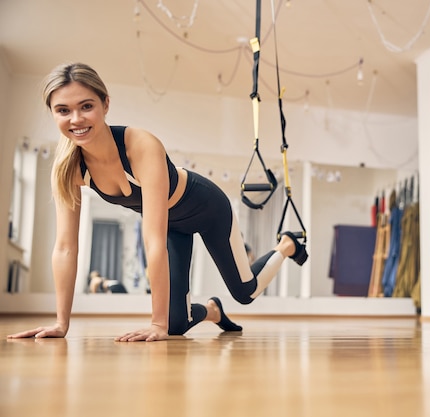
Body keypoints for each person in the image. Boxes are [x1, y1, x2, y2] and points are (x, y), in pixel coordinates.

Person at [7, 62, 308, 342]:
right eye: (63, 110)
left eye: (86, 106)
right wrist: (61, 323)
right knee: (177, 325)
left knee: (246, 292)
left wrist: (155, 324)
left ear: (105, 104)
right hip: (171, 225)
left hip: (208, 209)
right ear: (53, 113)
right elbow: (65, 247)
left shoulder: (139, 146)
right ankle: (213, 311)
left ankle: (286, 245)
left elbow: (152, 241)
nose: (76, 119)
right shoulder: (68, 169)